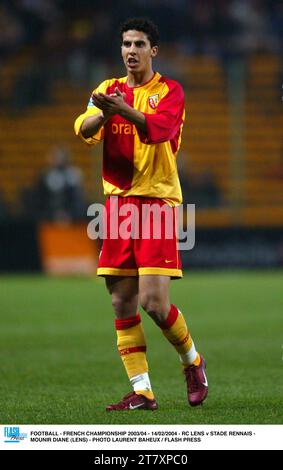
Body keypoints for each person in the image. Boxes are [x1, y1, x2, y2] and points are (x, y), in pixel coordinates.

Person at [74, 18, 208, 411]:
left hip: (156, 202)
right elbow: (83, 128)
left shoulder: (170, 90)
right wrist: (105, 114)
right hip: (116, 206)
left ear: (154, 51)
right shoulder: (106, 91)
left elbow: (161, 130)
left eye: (139, 44)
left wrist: (123, 109)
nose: (131, 50)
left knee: (153, 302)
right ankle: (142, 390)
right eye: (126, 44)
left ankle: (192, 362)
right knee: (121, 301)